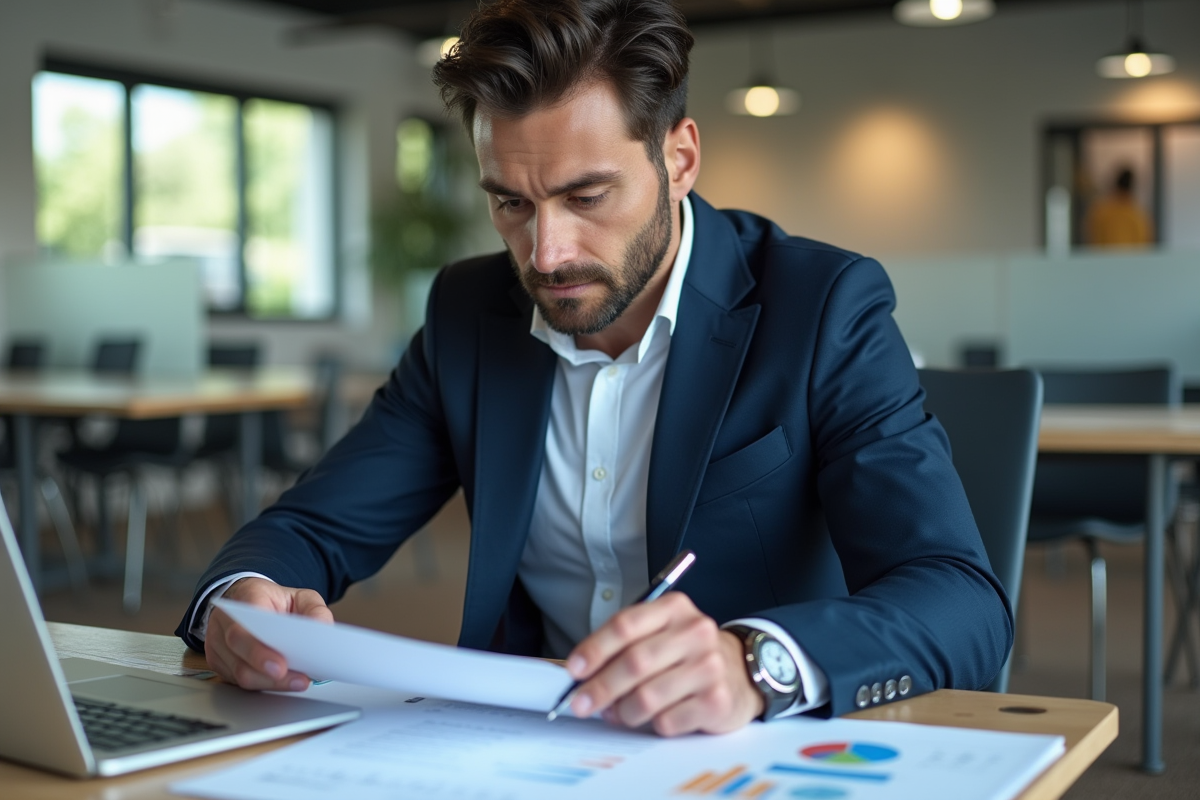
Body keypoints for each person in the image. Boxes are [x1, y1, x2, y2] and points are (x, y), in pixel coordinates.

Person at [178, 0, 1011, 737]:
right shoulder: (469, 313)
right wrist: (240, 600)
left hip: (746, 751)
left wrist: (756, 666)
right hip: (524, 749)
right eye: (510, 202)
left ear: (679, 160)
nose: (546, 253)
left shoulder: (822, 306)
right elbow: (312, 530)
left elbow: (960, 599)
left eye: (586, 196)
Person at [1085, 167, 1154, 247]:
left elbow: (1092, 240)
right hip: (1131, 258)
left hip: (1104, 258)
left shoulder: (1100, 211)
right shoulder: (1138, 215)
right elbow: (1145, 243)